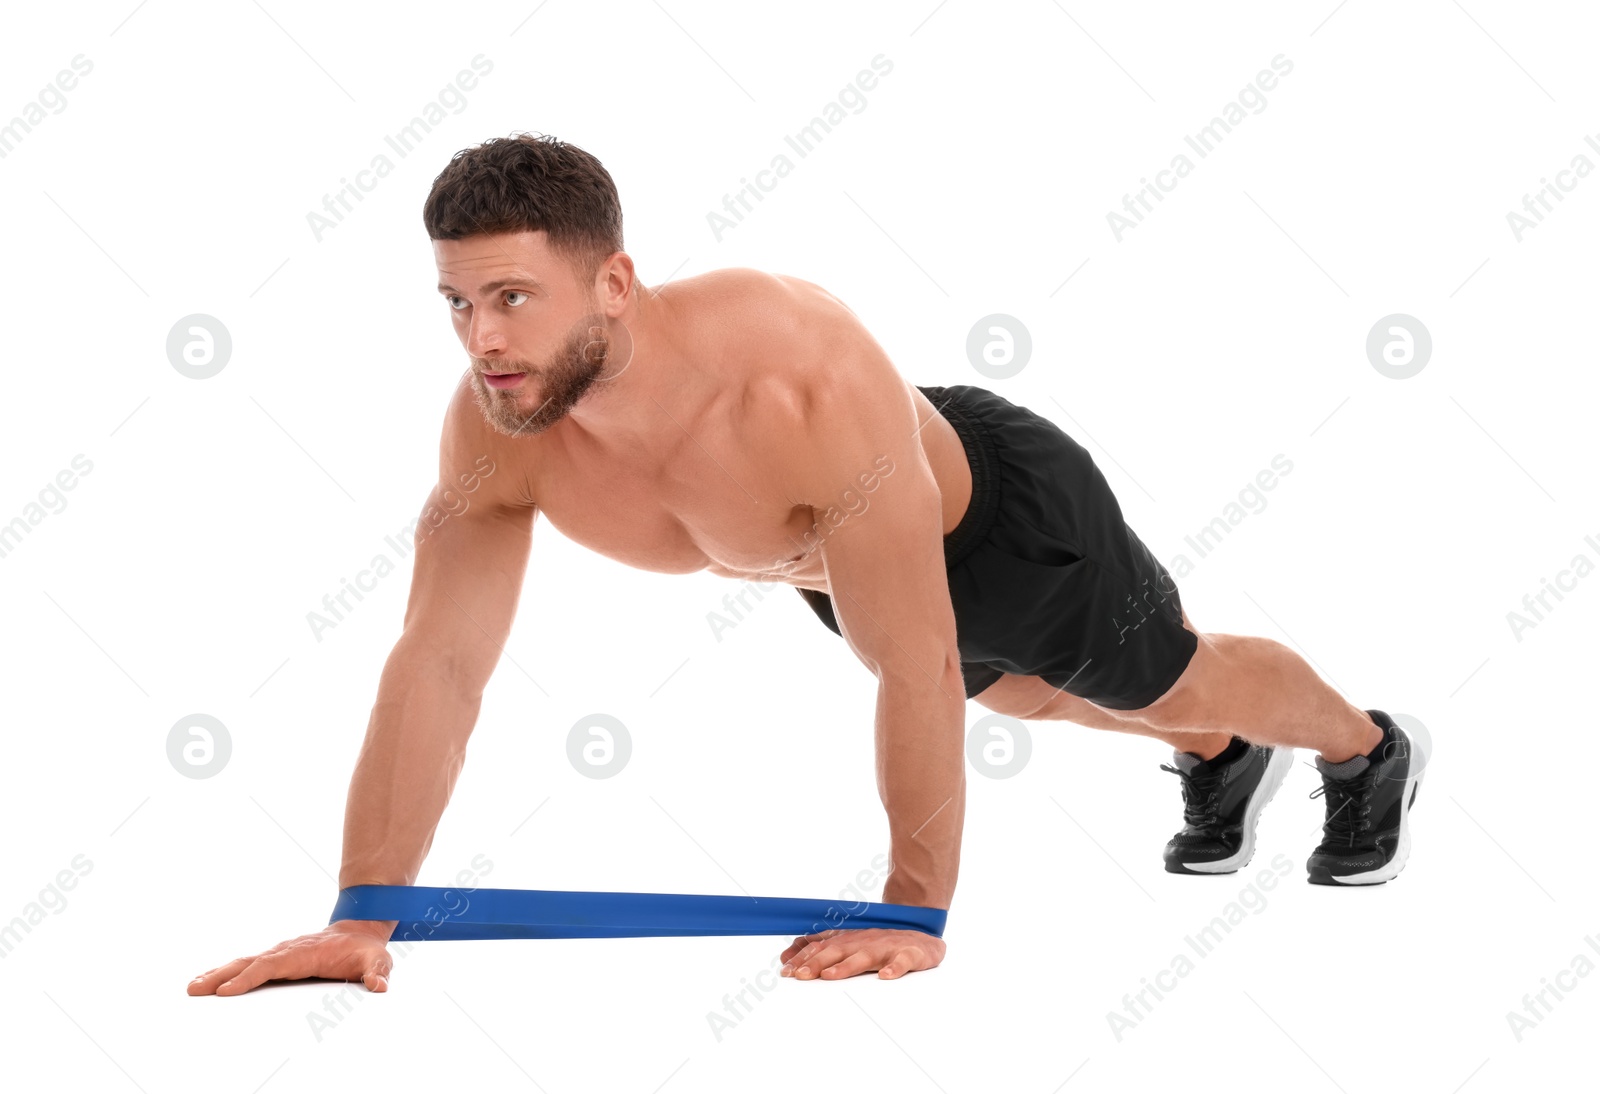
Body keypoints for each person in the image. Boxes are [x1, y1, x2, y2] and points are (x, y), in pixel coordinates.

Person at [188, 133, 1426, 997]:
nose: (483, 338)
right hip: (829, 566)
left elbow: (916, 658)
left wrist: (910, 909)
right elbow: (442, 662)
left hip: (997, 518)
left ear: (612, 281)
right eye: (456, 303)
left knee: (1164, 680)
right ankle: (1220, 763)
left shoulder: (794, 379)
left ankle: (1364, 746)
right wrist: (364, 909)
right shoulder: (496, 425)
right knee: (1030, 700)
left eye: (512, 296)